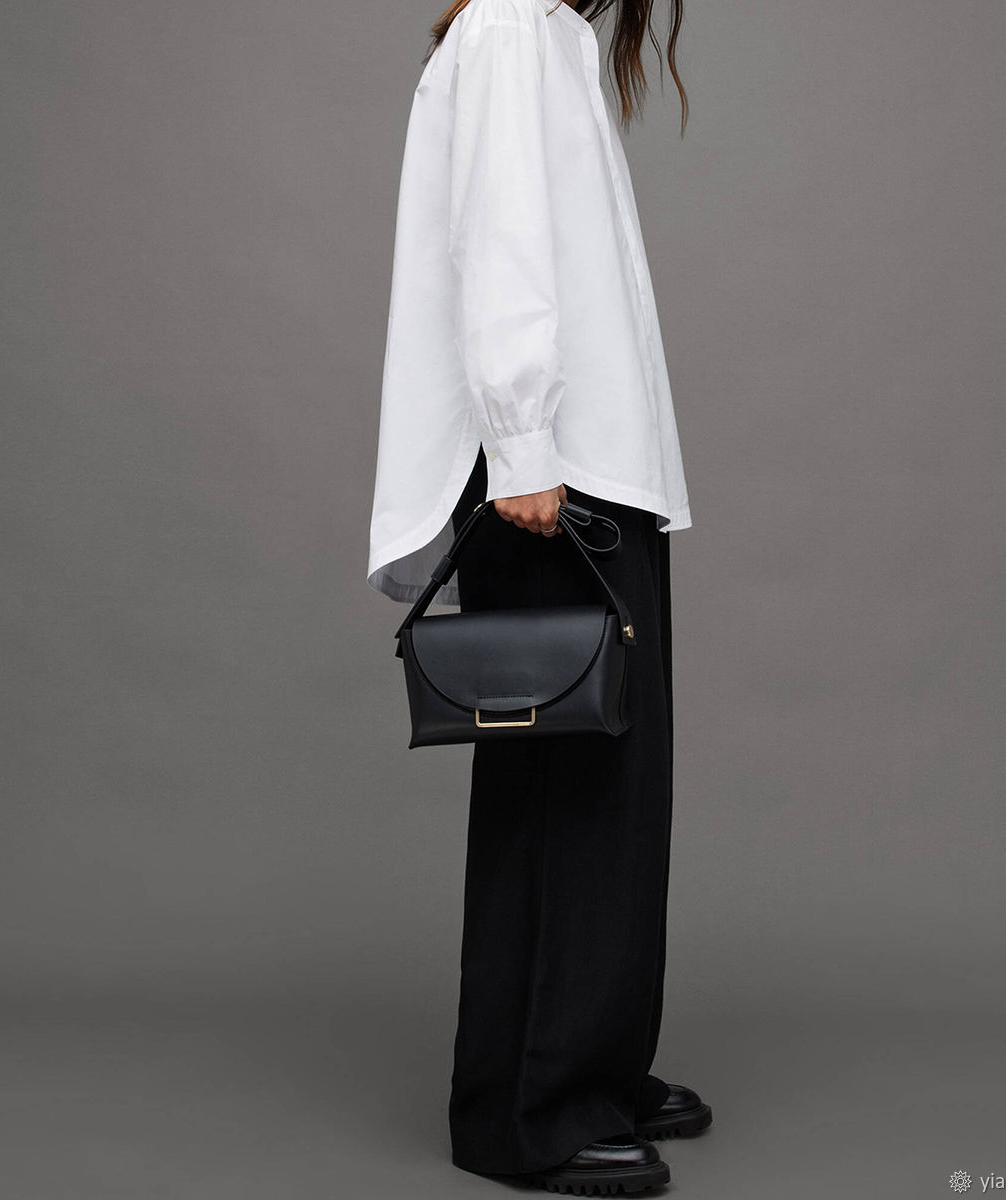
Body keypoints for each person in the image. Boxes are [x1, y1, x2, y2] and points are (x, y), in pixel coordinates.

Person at [366, 0, 708, 1192]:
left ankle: (596, 1067)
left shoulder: (546, 29)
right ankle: (530, 1110)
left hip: (596, 465)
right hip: (550, 474)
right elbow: (500, 239)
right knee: (567, 790)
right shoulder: (510, 25)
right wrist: (521, 449)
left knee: (612, 785)